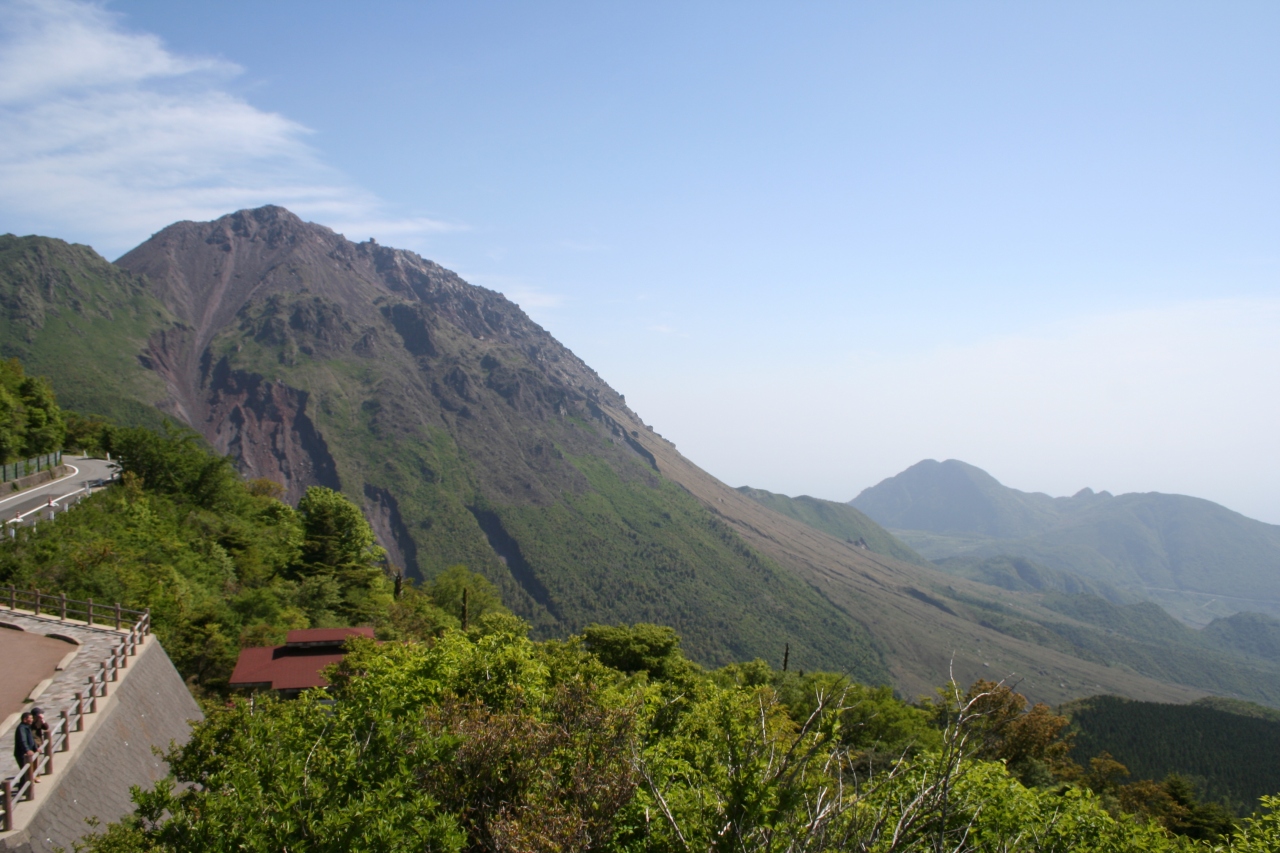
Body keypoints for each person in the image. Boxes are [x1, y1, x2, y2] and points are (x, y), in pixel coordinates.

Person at [13, 711, 38, 787]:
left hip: (26, 753)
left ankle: (26, 788)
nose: (32, 720)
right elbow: (22, 740)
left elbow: (31, 739)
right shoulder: (21, 729)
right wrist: (27, 750)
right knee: (25, 772)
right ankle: (23, 788)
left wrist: (35, 748)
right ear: (24, 720)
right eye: (30, 718)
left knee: (28, 771)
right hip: (21, 754)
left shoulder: (27, 727)